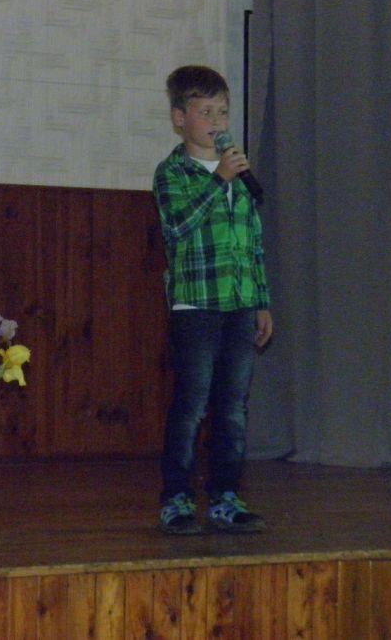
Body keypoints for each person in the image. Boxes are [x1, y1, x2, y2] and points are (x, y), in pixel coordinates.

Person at [152, 65, 273, 535]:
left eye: (222, 112)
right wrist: (218, 179)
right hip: (197, 306)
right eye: (205, 112)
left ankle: (225, 497)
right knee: (192, 406)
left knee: (233, 408)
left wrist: (261, 300)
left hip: (239, 303)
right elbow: (178, 226)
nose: (217, 122)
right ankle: (176, 499)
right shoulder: (173, 173)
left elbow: (252, 243)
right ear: (179, 118)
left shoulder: (239, 175)